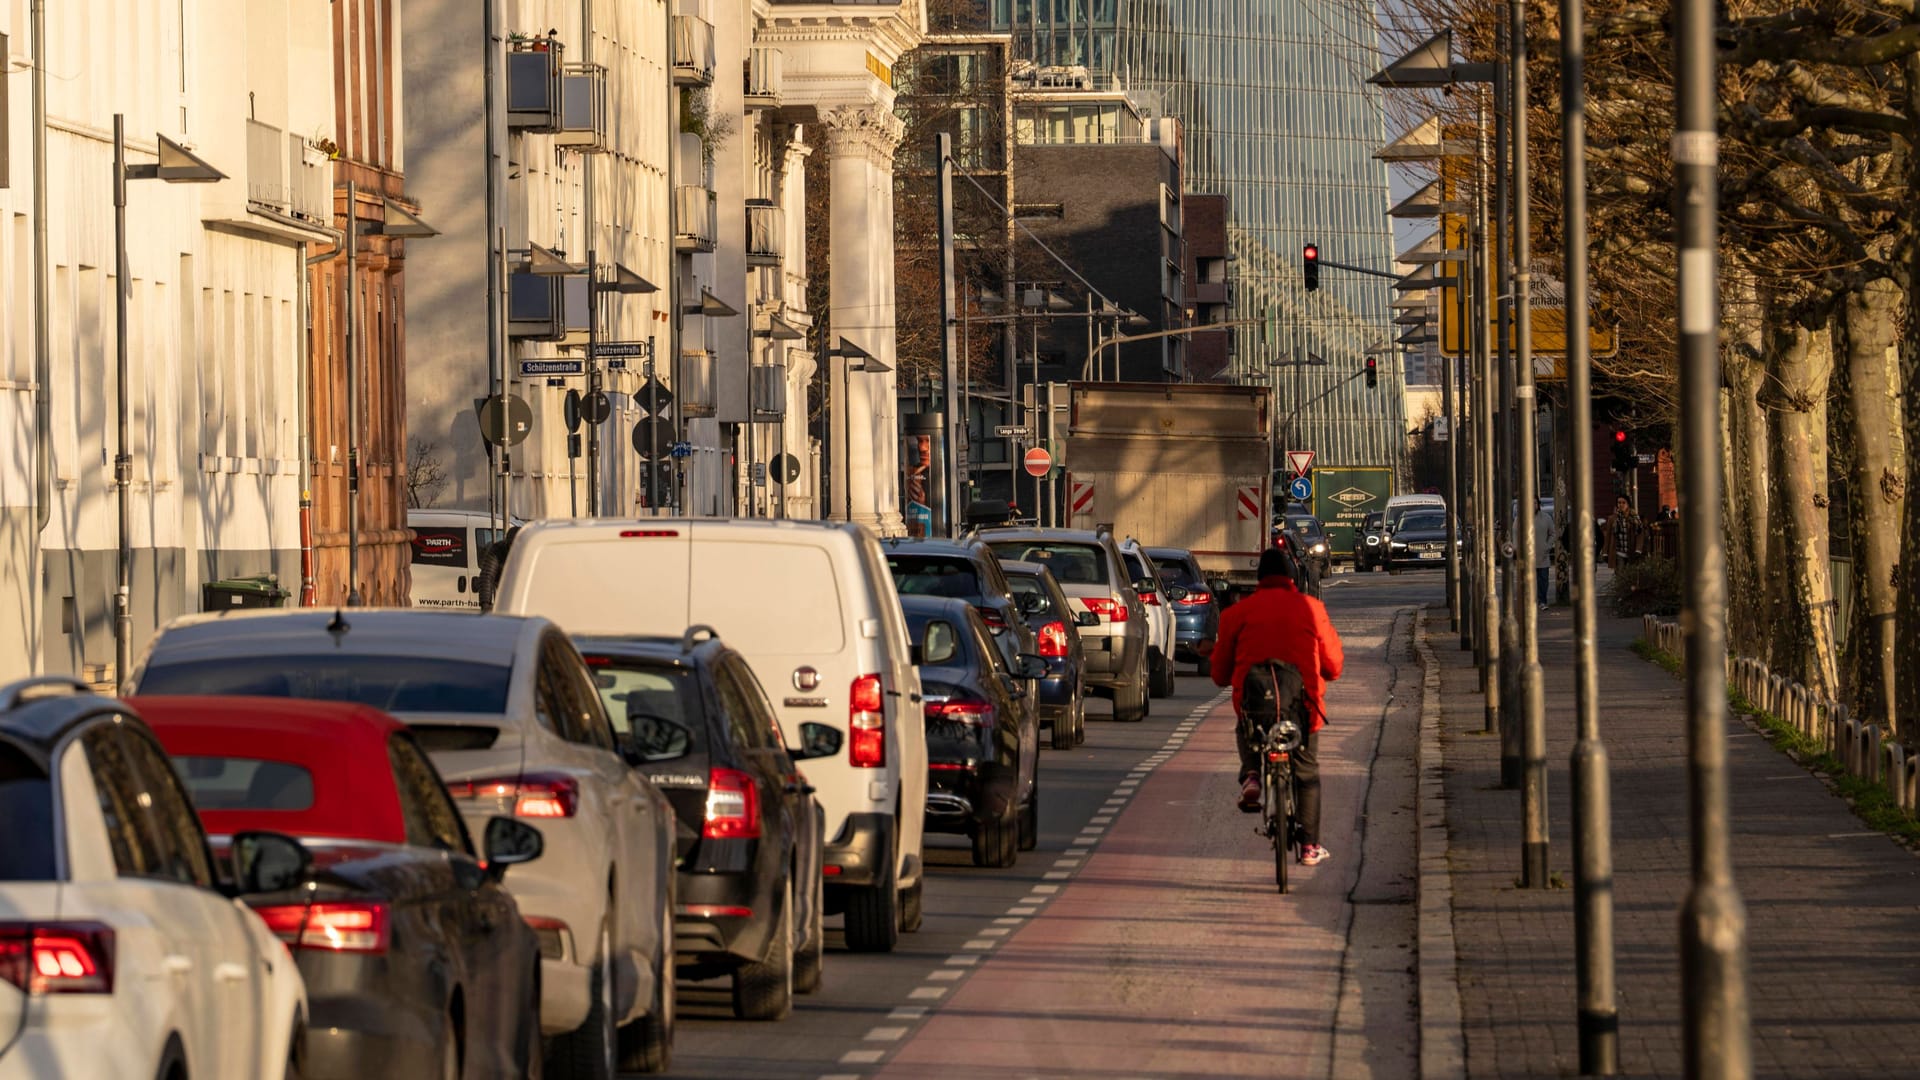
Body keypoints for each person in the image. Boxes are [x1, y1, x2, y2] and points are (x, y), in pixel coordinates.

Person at [1210, 545, 1345, 866]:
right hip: (1303, 709)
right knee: (1307, 773)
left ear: (1258, 579)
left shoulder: (1236, 614)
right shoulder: (1312, 609)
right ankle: (1310, 845)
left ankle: (1253, 773)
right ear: (1291, 577)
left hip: (1255, 709)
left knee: (1245, 727)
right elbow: (1334, 666)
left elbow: (1219, 675)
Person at [1601, 495, 1644, 571]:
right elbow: (1608, 537)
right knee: (1620, 575)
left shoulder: (1634, 518)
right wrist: (1605, 553)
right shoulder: (1612, 519)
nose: (1621, 505)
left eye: (1623, 503)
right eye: (1619, 503)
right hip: (1618, 552)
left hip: (1631, 551)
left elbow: (1639, 535)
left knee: (1630, 575)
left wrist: (1638, 550)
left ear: (1628, 504)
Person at [1532, 498, 1555, 609]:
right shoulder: (1521, 518)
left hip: (1543, 555)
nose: (1533, 505)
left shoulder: (1546, 518)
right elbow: (1515, 532)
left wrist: (1548, 545)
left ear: (1539, 504)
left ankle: (1542, 601)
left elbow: (1552, 533)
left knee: (1543, 580)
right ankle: (1531, 601)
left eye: (1535, 503)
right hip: (1529, 555)